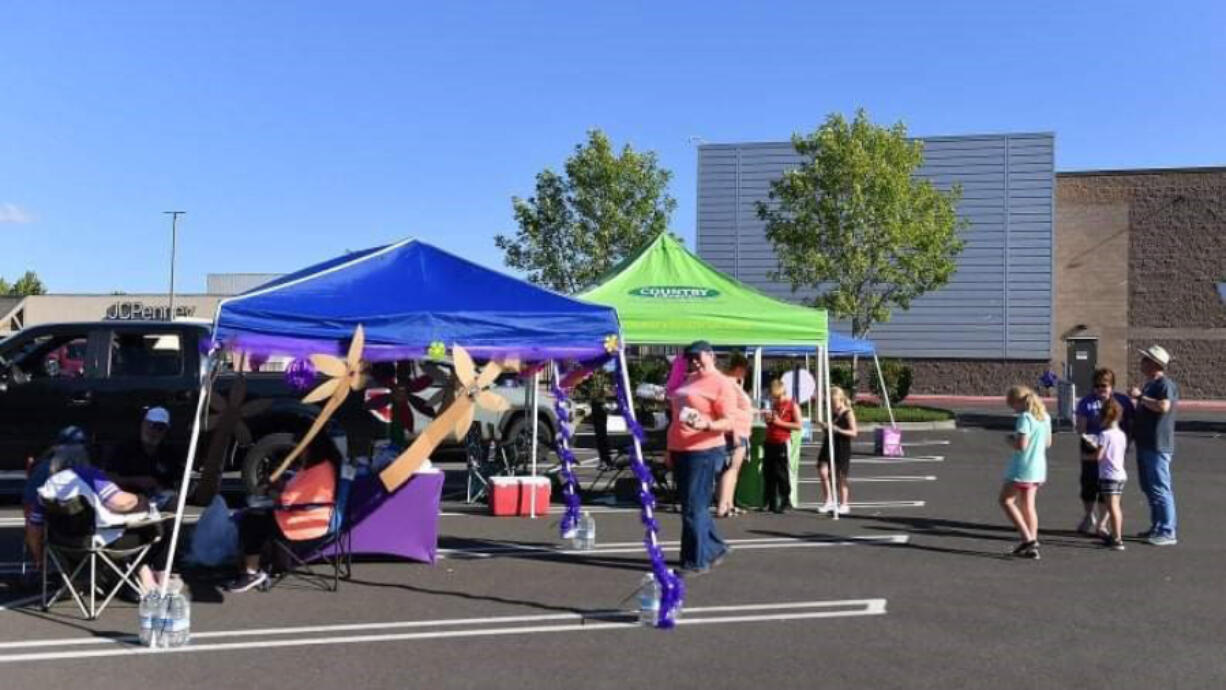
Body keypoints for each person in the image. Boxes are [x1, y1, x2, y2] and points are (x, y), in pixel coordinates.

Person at [27, 444, 169, 594]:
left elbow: (34, 528)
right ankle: (140, 577)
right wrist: (141, 500)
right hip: (94, 545)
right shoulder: (88, 474)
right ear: (84, 461)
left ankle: (90, 581)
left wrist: (39, 560)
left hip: (62, 546)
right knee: (148, 531)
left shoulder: (47, 487)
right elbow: (120, 503)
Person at [229, 435, 341, 592]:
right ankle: (263, 565)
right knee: (257, 516)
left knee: (252, 521)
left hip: (304, 522)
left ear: (311, 450)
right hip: (308, 516)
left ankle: (251, 572)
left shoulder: (316, 471)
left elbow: (287, 500)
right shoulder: (321, 466)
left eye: (300, 449)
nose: (297, 452)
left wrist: (270, 490)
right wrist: (277, 484)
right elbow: (295, 489)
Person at [667, 340, 736, 574]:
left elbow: (729, 421)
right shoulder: (690, 379)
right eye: (690, 357)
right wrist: (670, 448)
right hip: (681, 450)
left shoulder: (722, 384)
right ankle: (714, 548)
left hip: (703, 450)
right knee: (691, 506)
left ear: (711, 355)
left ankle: (696, 560)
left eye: (698, 356)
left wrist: (706, 424)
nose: (694, 361)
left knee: (693, 508)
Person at [1073, 368, 1135, 535]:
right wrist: (1087, 435)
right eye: (1097, 386)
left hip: (1112, 449)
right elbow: (1081, 428)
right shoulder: (1087, 402)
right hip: (1092, 446)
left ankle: (1102, 523)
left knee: (1107, 488)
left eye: (1104, 385)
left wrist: (1126, 442)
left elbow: (1130, 423)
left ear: (1112, 386)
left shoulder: (1121, 401)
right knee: (1088, 485)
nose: (1100, 389)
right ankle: (1088, 516)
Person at [1130, 345, 1179, 546]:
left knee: (1160, 487)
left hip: (1158, 445)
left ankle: (1168, 531)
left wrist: (1140, 397)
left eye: (1145, 359)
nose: (1141, 362)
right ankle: (1158, 525)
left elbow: (1163, 406)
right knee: (1149, 487)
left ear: (1155, 364)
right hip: (1145, 443)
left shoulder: (1164, 384)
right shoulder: (1150, 385)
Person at [999, 385, 1052, 560]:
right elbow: (1048, 443)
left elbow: (1022, 445)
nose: (1013, 409)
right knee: (1028, 506)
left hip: (1022, 467)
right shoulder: (1044, 417)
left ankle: (1027, 538)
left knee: (1006, 500)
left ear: (1019, 402)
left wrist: (1010, 440)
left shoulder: (1025, 418)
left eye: (1013, 405)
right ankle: (1032, 545)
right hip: (1038, 467)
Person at [103, 406, 181, 502]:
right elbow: (107, 478)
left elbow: (176, 480)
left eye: (160, 428)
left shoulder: (169, 454)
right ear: (143, 424)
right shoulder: (123, 449)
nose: (154, 432)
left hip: (158, 501)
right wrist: (136, 481)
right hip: (126, 498)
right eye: (152, 426)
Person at [716, 352, 753, 518]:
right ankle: (723, 505)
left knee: (733, 470)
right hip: (736, 432)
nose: (746, 373)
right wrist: (736, 432)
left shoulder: (733, 384)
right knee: (731, 469)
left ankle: (729, 503)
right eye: (745, 370)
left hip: (740, 430)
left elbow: (740, 408)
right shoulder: (731, 385)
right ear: (738, 369)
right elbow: (730, 409)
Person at [1089, 398, 1128, 551]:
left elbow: (1099, 456)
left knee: (1113, 507)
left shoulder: (1104, 435)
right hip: (1120, 473)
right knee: (1114, 505)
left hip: (1108, 474)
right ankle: (1114, 535)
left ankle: (1117, 538)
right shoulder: (1121, 434)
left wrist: (1091, 451)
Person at [761, 379, 802, 514]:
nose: (777, 399)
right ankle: (771, 501)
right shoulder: (774, 405)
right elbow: (772, 423)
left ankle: (786, 501)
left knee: (782, 473)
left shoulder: (792, 405)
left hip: (782, 442)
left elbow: (798, 425)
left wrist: (779, 423)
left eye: (778, 396)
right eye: (774, 397)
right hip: (770, 441)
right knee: (768, 472)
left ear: (784, 393)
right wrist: (768, 421)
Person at [816, 386, 858, 515]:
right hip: (829, 443)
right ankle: (828, 500)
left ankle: (844, 503)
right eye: (830, 403)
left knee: (841, 476)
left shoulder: (848, 413)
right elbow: (829, 429)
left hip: (842, 445)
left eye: (834, 403)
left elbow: (854, 432)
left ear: (841, 400)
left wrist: (838, 429)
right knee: (823, 471)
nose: (832, 406)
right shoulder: (832, 412)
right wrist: (824, 427)